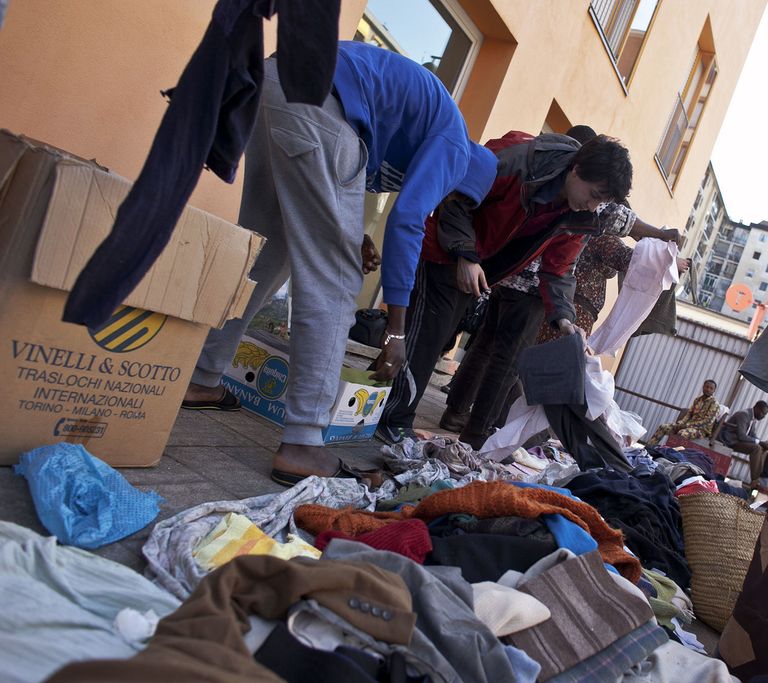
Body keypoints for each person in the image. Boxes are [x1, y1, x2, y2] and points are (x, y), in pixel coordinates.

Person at [179, 41, 497, 484]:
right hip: (319, 99)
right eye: (455, 197)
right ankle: (304, 442)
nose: (445, 202)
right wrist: (397, 328)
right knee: (337, 279)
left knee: (267, 254)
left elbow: (326, 184)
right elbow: (406, 218)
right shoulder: (457, 148)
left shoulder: (416, 124)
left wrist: (354, 236)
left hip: (273, 82)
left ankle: (202, 376)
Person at [375, 131, 635, 445]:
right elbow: (456, 199)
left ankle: (378, 407)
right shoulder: (517, 161)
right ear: (577, 170)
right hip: (444, 251)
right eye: (593, 195)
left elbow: (559, 268)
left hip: (479, 266)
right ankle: (392, 421)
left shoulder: (577, 215)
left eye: (601, 202)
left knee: (438, 339)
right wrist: (464, 255)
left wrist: (564, 319)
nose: (592, 206)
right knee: (426, 339)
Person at [648, 379, 720, 443]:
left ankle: (670, 455)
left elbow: (707, 421)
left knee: (682, 433)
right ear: (703, 387)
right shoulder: (697, 400)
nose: (708, 389)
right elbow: (689, 414)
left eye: (711, 388)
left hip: (701, 431)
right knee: (663, 427)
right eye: (707, 387)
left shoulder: (714, 403)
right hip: (687, 426)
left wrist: (686, 425)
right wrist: (680, 423)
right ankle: (648, 449)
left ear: (714, 390)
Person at [718, 400, 768, 484]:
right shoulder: (744, 415)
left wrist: (761, 442)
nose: (763, 416)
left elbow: (752, 434)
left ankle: (760, 477)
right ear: (756, 408)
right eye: (763, 413)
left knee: (762, 448)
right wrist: (758, 442)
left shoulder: (752, 418)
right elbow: (742, 436)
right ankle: (755, 479)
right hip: (729, 441)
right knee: (756, 448)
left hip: (736, 441)